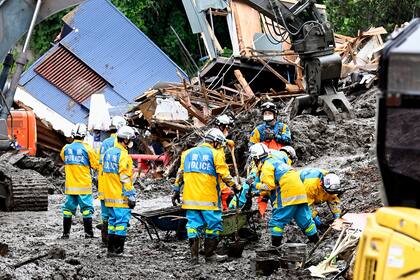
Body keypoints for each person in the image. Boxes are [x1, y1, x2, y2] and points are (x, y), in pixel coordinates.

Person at [172, 128, 240, 264]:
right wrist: (236, 186)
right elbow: (225, 175)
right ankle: (210, 255)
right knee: (214, 224)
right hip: (209, 199)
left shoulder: (187, 153)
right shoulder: (215, 154)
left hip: (190, 198)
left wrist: (175, 189)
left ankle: (194, 257)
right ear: (215, 142)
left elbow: (180, 173)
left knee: (193, 225)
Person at [247, 143, 319, 246]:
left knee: (277, 221)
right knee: (305, 220)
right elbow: (274, 185)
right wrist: (257, 193)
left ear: (255, 158)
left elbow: (269, 186)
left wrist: (254, 184)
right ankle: (316, 243)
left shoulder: (266, 166)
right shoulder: (276, 162)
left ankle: (275, 248)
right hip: (300, 192)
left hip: (287, 193)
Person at [102, 125, 137, 257]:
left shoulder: (108, 153)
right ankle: (118, 251)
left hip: (109, 195)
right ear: (126, 140)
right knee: (121, 223)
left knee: (112, 222)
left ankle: (110, 250)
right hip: (120, 195)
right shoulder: (123, 155)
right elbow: (125, 178)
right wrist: (131, 195)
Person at [60, 123, 99, 239]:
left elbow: (63, 158)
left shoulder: (66, 148)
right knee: (86, 209)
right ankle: (88, 234)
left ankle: (65, 234)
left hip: (70, 186)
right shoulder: (87, 148)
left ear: (73, 134)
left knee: (67, 209)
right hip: (83, 186)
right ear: (84, 135)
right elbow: (96, 164)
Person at [97, 116, 127, 245]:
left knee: (106, 213)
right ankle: (114, 243)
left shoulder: (105, 143)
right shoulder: (119, 144)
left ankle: (106, 240)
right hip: (115, 184)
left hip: (103, 181)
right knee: (118, 214)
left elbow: (100, 162)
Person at [215, 114, 235, 211]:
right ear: (224, 127)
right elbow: (218, 165)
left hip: (216, 177)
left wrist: (226, 141)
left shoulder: (216, 139)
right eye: (227, 128)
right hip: (215, 180)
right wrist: (234, 185)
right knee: (227, 194)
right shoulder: (216, 144)